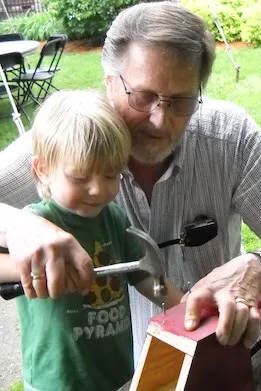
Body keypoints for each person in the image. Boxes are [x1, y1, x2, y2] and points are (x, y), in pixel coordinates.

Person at [0, 1, 261, 366]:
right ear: (110, 83)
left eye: (181, 102)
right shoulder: (68, 140)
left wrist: (256, 267)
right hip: (112, 373)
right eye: (143, 97)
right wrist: (16, 226)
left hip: (211, 361)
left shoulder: (229, 135)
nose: (159, 120)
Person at [0, 90, 182, 391]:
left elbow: (143, 273)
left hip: (116, 372)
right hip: (56, 379)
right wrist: (35, 265)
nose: (98, 190)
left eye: (111, 175)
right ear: (43, 170)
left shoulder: (114, 219)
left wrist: (183, 306)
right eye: (80, 178)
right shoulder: (35, 226)